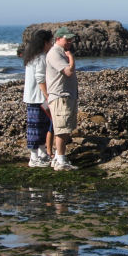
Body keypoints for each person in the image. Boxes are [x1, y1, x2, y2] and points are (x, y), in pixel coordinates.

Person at [45, 26, 79, 171]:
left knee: (65, 129)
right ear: (58, 38)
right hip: (60, 97)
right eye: (67, 39)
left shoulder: (60, 52)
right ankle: (60, 160)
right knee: (61, 130)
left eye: (71, 39)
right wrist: (71, 58)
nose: (70, 42)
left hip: (66, 96)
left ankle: (60, 158)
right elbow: (68, 71)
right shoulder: (54, 53)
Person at [22, 29, 54, 168]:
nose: (51, 44)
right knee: (36, 128)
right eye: (50, 42)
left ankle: (41, 155)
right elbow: (40, 78)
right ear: (45, 42)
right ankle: (34, 158)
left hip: (33, 97)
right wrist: (48, 96)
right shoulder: (40, 58)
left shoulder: (31, 57)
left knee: (41, 126)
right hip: (38, 98)